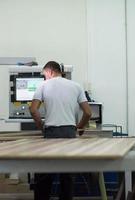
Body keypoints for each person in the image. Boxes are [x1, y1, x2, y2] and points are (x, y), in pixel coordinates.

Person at [30, 61, 92, 200]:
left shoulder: (43, 86)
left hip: (51, 133)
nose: (45, 78)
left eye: (45, 75)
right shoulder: (76, 86)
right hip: (69, 134)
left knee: (44, 176)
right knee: (67, 177)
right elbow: (88, 112)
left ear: (50, 72)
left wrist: (41, 127)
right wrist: (80, 127)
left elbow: (33, 110)